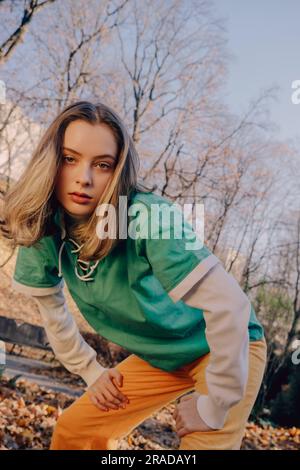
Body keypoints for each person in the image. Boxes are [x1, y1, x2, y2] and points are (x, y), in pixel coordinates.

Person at [2, 101, 267, 450]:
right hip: (162, 357)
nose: (84, 178)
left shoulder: (148, 217)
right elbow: (52, 312)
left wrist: (216, 404)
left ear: (119, 171)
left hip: (226, 345)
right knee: (76, 433)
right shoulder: (44, 223)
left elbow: (230, 306)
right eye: (70, 158)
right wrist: (92, 372)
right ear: (51, 159)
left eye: (103, 165)